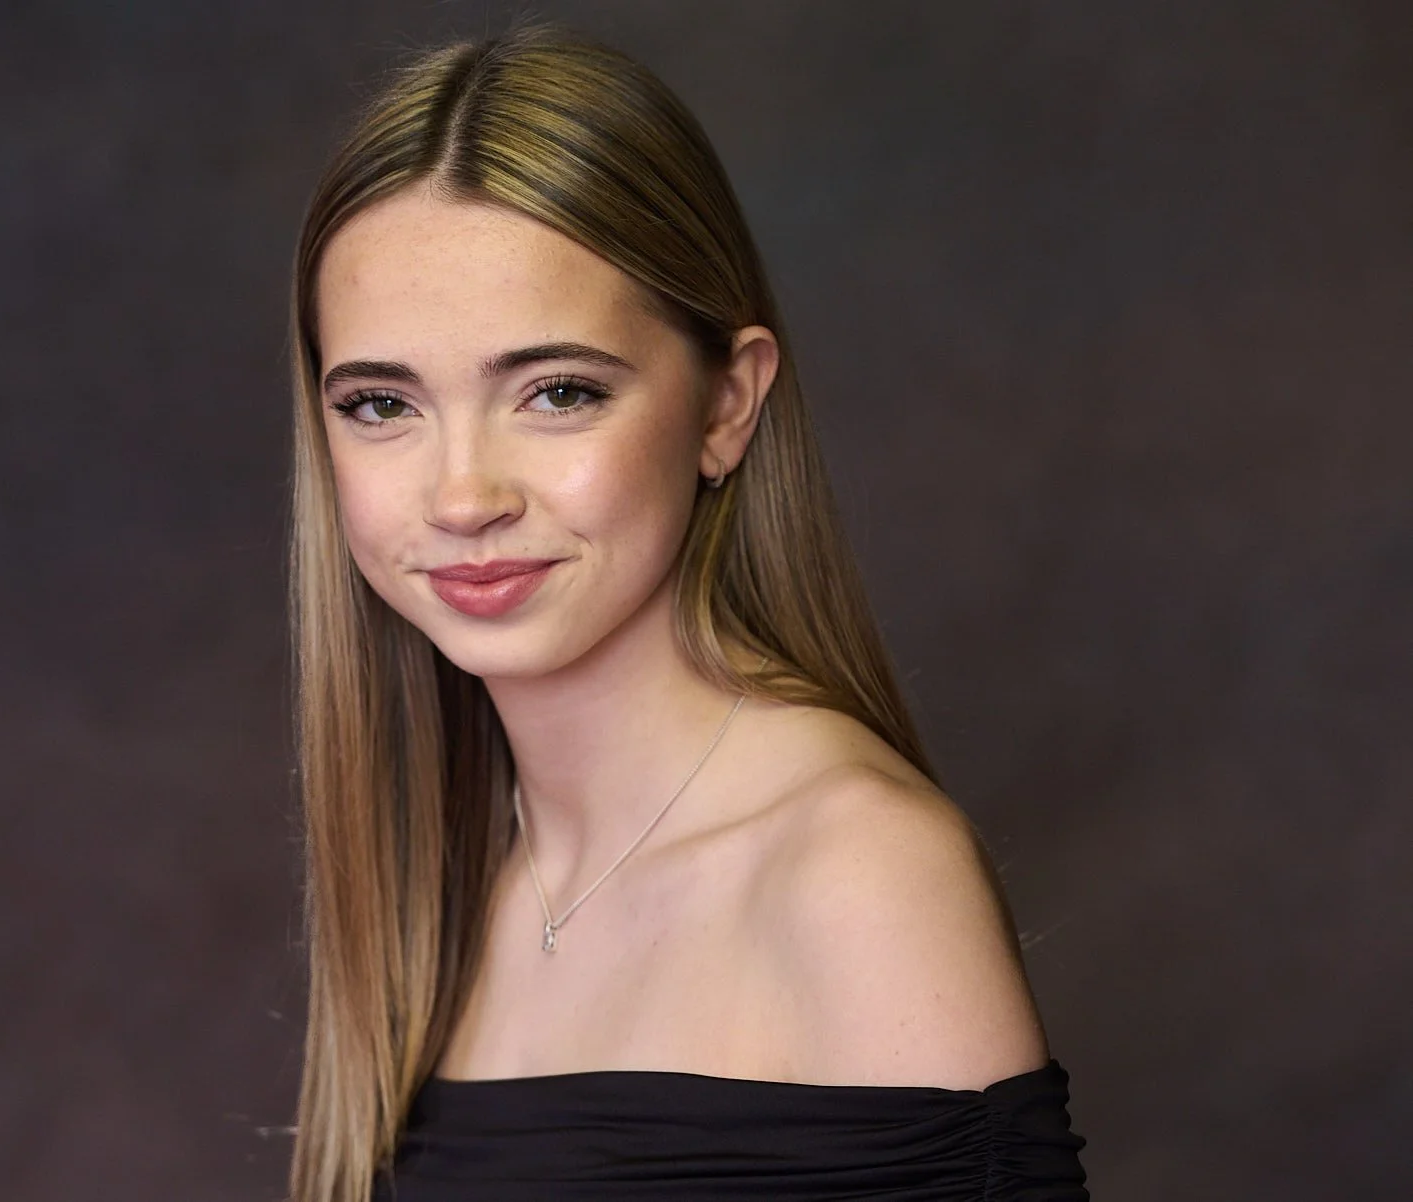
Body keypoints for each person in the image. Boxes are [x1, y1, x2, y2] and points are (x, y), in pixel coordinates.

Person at [284, 22, 1088, 1202]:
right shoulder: (455, 883)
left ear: (726, 404)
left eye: (557, 392)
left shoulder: (856, 875)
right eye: (380, 404)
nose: (463, 495)